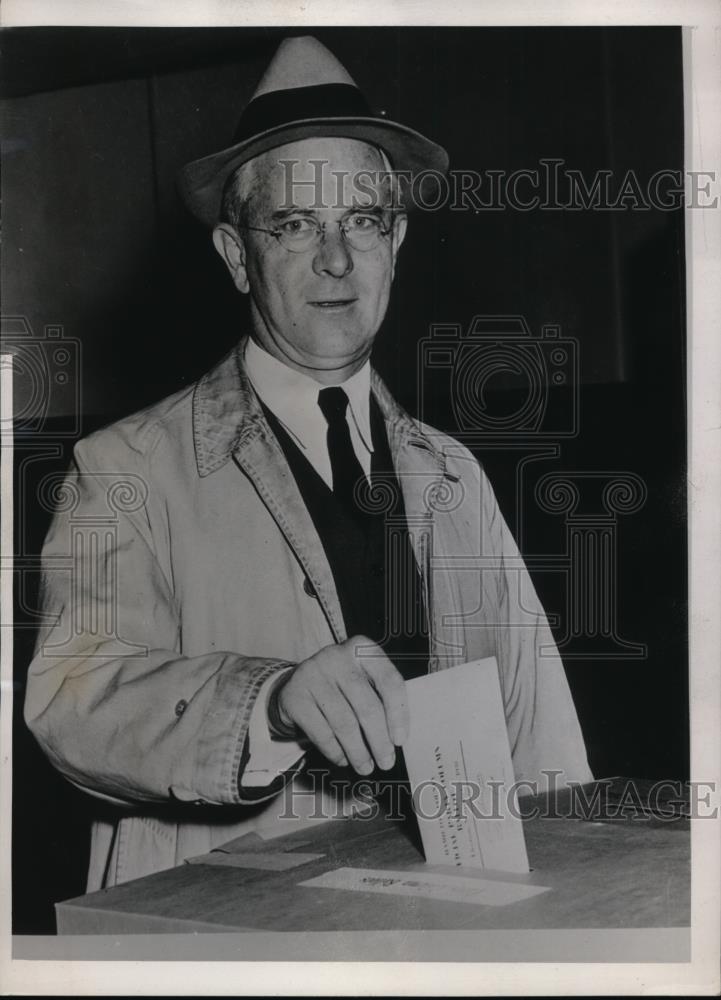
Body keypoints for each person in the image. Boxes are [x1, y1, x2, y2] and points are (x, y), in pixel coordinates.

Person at [25, 36, 592, 892]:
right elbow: (71, 703)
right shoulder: (122, 470)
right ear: (234, 255)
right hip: (230, 939)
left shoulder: (452, 476)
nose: (336, 258)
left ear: (395, 240)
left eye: (361, 219)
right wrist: (269, 701)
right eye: (294, 225)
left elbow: (540, 736)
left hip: (439, 931)